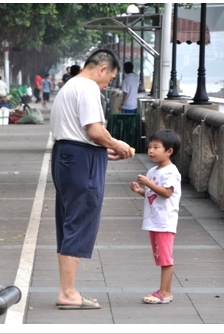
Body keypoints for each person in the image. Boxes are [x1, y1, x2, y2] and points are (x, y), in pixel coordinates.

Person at [50, 48, 134, 310]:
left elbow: (79, 133)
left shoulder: (69, 86)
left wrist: (102, 149)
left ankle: (68, 290)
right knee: (80, 219)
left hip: (67, 155)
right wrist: (117, 144)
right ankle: (68, 292)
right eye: (109, 79)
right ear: (102, 69)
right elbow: (95, 130)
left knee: (68, 220)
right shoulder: (87, 88)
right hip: (80, 161)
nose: (108, 84)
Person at [130, 129, 182, 305]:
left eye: (156, 147)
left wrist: (148, 183)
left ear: (169, 151)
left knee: (165, 258)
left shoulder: (171, 172)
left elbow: (167, 193)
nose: (151, 150)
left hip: (165, 222)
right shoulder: (153, 170)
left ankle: (165, 292)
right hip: (154, 221)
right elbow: (153, 194)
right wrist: (140, 190)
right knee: (161, 256)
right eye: (150, 146)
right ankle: (163, 290)